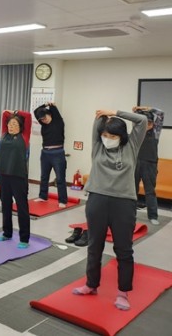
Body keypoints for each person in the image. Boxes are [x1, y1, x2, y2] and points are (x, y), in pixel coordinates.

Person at [72, 109, 147, 312]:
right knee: (94, 246)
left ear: (121, 136)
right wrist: (103, 117)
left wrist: (116, 112)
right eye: (105, 135)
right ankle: (91, 284)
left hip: (124, 204)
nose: (107, 139)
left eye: (112, 136)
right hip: (97, 200)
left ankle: (123, 293)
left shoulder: (131, 146)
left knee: (124, 249)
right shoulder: (98, 146)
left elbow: (142, 120)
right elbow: (98, 122)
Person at [0, 110, 32, 249]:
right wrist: (11, 115)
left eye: (15, 124)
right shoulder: (4, 134)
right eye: (10, 124)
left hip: (18, 176)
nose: (11, 126)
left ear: (21, 127)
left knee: (22, 207)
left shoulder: (24, 137)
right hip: (3, 175)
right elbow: (4, 114)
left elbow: (28, 116)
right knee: (5, 204)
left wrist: (16, 112)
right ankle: (7, 233)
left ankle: (24, 238)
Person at [133, 106, 164, 225]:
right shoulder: (137, 131)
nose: (147, 125)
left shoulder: (155, 133)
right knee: (132, 190)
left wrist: (146, 108)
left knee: (150, 191)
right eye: (145, 122)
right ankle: (130, 213)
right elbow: (134, 117)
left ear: (153, 123)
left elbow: (160, 113)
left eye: (149, 122)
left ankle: (153, 216)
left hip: (150, 166)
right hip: (135, 163)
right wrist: (136, 111)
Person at [33, 102, 67, 207]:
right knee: (44, 176)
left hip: (58, 153)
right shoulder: (43, 124)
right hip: (45, 153)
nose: (44, 120)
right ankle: (43, 196)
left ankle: (62, 201)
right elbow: (35, 111)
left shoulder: (58, 121)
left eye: (45, 117)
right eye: (42, 119)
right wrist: (44, 104)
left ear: (50, 114)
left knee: (60, 178)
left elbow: (54, 111)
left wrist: (51, 105)